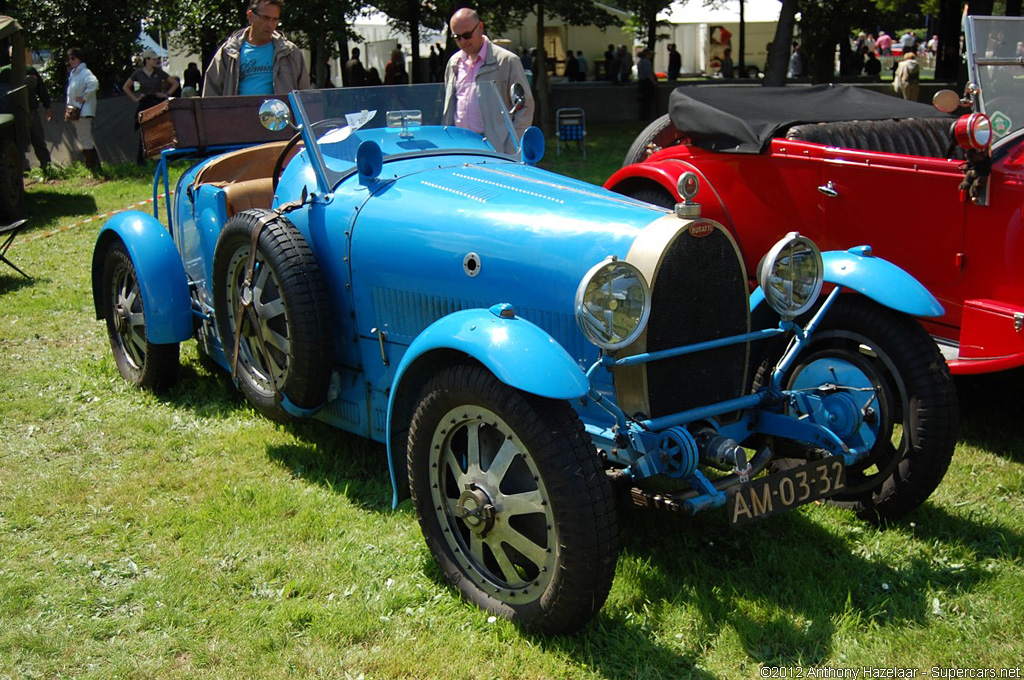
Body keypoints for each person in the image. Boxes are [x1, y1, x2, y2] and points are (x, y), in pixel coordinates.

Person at [442, 7, 534, 154]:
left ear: (480, 28)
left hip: (493, 149)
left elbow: (525, 108)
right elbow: (449, 107)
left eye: (466, 35)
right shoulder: (454, 62)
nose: (463, 41)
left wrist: (511, 147)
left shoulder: (507, 61)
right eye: (457, 37)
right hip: (458, 145)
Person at [203, 0, 309, 96]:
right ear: (250, 16)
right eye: (265, 18)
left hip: (280, 116)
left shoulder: (290, 52)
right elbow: (210, 95)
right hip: (238, 115)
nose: (270, 25)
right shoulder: (229, 51)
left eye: (275, 20)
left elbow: (306, 96)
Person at [124, 49, 171, 164]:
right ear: (147, 60)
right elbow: (126, 87)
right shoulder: (138, 73)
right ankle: (142, 160)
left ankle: (160, 159)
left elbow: (174, 83)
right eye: (154, 59)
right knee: (143, 131)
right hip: (145, 103)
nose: (156, 61)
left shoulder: (159, 72)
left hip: (157, 101)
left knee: (159, 129)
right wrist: (136, 98)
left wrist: (166, 94)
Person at [65, 47, 101, 173]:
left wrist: (85, 97)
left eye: (73, 58)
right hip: (76, 110)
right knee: (84, 137)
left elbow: (94, 84)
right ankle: (94, 165)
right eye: (69, 58)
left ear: (79, 58)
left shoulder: (85, 72)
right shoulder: (74, 73)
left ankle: (92, 166)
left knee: (85, 138)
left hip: (83, 111)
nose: (70, 61)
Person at [25, 51, 52, 170]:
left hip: (31, 110)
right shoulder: (5, 72)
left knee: (38, 139)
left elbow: (41, 88)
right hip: (14, 112)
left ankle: (46, 165)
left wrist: (47, 106)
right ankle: (22, 169)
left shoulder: (29, 70)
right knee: (18, 143)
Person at [636, 48, 656, 120]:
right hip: (646, 83)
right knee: (647, 100)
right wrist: (654, 83)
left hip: (641, 82)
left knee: (642, 101)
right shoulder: (647, 62)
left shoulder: (640, 62)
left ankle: (643, 116)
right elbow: (649, 74)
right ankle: (646, 117)